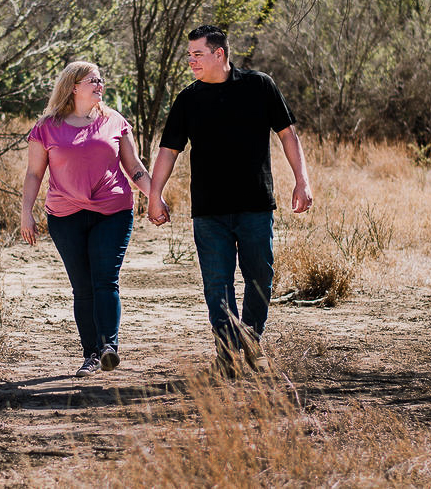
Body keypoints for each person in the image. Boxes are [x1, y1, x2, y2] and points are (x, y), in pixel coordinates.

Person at [147, 25, 313, 376]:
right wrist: (154, 194)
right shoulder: (188, 99)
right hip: (209, 210)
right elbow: (168, 151)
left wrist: (302, 181)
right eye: (189, 54)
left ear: (219, 54)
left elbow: (288, 135)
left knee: (260, 278)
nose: (190, 61)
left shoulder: (260, 86)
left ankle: (251, 342)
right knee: (216, 284)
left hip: (255, 204)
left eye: (197, 54)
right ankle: (226, 353)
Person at [21, 61, 155, 377]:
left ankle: (109, 346)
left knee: (105, 279)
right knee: (82, 288)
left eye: (101, 79)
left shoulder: (114, 122)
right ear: (73, 86)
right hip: (65, 216)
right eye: (92, 80)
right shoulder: (47, 127)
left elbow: (134, 167)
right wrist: (26, 212)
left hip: (113, 211)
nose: (99, 84)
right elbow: (34, 174)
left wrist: (155, 197)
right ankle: (91, 354)